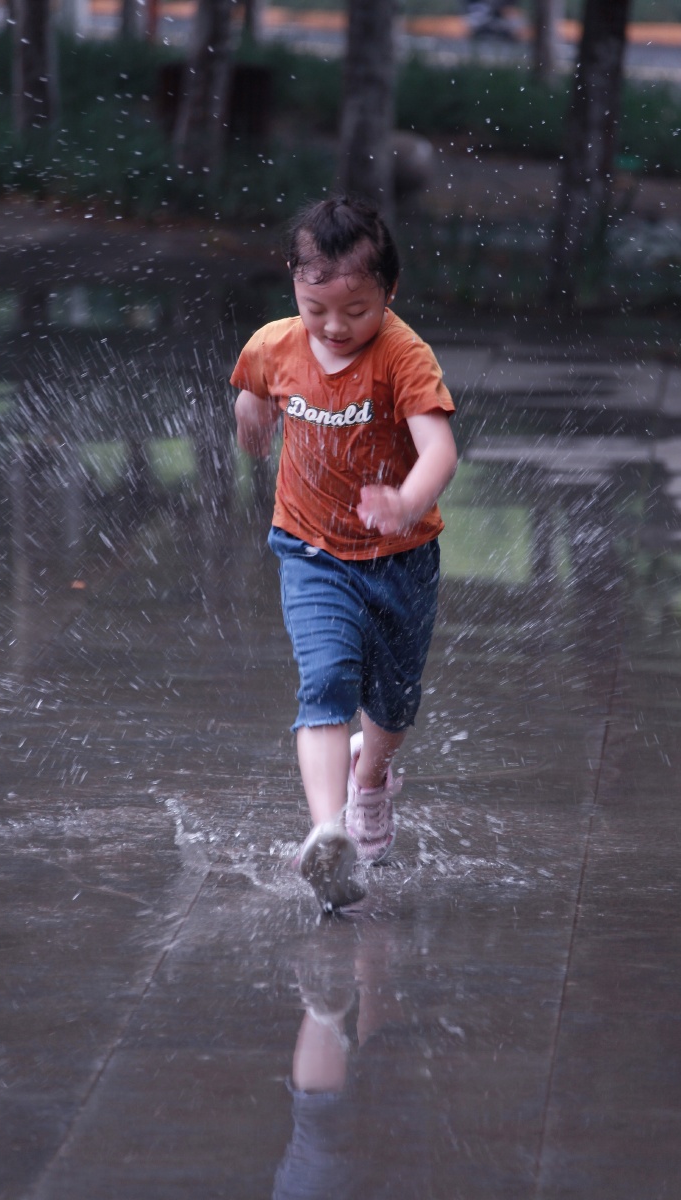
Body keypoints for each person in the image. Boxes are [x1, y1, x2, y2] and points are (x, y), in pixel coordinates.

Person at [231, 196, 457, 913]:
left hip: (401, 557)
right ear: (294, 287)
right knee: (325, 679)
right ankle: (326, 832)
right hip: (311, 548)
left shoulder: (402, 354)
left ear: (389, 292)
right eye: (315, 307)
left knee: (391, 706)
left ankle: (371, 780)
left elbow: (440, 451)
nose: (334, 327)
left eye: (355, 310)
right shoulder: (274, 346)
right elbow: (252, 403)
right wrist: (252, 424)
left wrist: (405, 502)